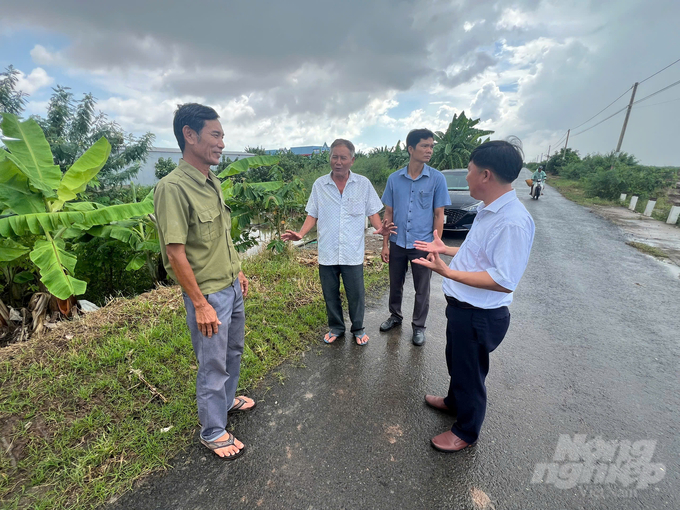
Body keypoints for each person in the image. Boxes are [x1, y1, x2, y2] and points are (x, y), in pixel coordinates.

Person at [413, 140, 534, 452]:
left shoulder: (513, 222)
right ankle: (454, 402)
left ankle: (466, 431)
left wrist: (448, 272)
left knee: (470, 373)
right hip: (463, 308)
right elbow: (478, 254)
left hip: (480, 315)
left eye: (469, 171)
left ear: (486, 176)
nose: (466, 177)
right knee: (457, 362)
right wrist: (446, 249)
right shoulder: (487, 210)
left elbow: (503, 279)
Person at [154, 103, 254, 460]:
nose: (221, 143)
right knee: (212, 364)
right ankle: (212, 430)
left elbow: (218, 237)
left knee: (233, 351)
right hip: (208, 294)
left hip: (230, 284)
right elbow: (176, 252)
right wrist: (199, 303)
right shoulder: (173, 188)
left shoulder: (211, 181)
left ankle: (226, 404)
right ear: (190, 135)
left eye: (222, 135)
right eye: (216, 135)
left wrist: (237, 270)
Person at [282, 139, 395, 346]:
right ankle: (336, 327)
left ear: (352, 160)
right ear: (330, 159)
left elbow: (373, 213)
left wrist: (380, 230)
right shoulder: (319, 185)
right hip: (327, 251)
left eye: (343, 157)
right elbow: (312, 215)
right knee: (330, 294)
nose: (338, 161)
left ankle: (358, 328)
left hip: (352, 252)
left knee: (356, 294)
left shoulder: (363, 184)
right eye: (335, 157)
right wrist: (301, 233)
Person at [379, 129, 450, 346]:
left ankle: (419, 327)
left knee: (423, 289)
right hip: (397, 241)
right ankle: (395, 316)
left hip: (423, 243)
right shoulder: (394, 179)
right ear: (411, 149)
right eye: (424, 146)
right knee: (395, 284)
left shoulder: (437, 179)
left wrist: (434, 247)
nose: (429, 150)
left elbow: (439, 215)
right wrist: (385, 244)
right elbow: (388, 214)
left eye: (431, 146)